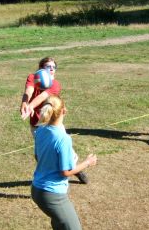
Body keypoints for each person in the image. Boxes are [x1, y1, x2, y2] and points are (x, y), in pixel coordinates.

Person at [32, 95, 97, 230]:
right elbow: (65, 172)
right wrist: (87, 162)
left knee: (60, 224)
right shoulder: (63, 139)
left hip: (37, 190)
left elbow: (37, 157)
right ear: (63, 111)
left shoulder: (40, 130)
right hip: (52, 196)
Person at [20, 57, 89, 184]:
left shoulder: (55, 84)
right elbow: (29, 90)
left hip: (53, 123)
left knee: (64, 149)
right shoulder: (32, 77)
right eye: (48, 66)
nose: (51, 69)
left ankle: (75, 170)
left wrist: (30, 106)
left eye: (53, 67)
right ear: (41, 68)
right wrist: (25, 102)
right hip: (36, 124)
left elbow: (42, 96)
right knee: (41, 153)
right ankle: (47, 174)